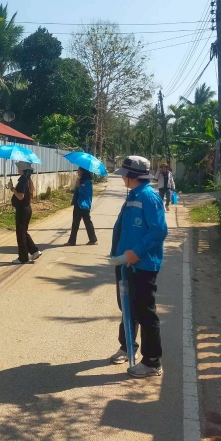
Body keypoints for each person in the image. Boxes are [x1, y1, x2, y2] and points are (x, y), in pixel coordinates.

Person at [110, 156, 168, 378]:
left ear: (132, 176)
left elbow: (159, 231)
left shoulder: (149, 197)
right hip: (124, 262)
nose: (122, 178)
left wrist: (136, 253)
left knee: (145, 313)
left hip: (142, 265)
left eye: (124, 174)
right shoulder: (132, 195)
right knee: (127, 307)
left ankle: (152, 362)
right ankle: (127, 346)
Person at [8, 162, 42, 264]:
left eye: (18, 167)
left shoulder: (23, 180)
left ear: (22, 169)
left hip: (22, 210)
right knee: (23, 232)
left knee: (20, 234)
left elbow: (20, 196)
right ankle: (34, 251)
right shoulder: (26, 179)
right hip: (26, 209)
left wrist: (12, 188)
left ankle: (23, 258)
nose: (17, 168)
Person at [65, 167, 98, 246]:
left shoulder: (88, 182)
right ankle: (72, 241)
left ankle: (93, 239)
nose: (77, 172)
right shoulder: (81, 180)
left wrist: (79, 185)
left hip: (84, 205)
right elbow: (77, 192)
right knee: (75, 223)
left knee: (87, 222)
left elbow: (85, 193)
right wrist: (72, 190)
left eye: (78, 171)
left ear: (82, 172)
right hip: (78, 203)